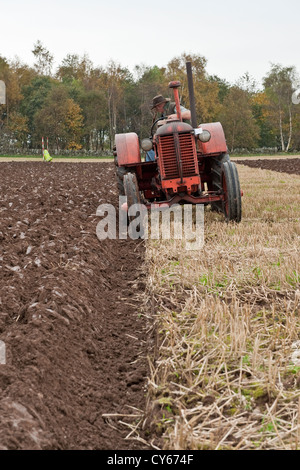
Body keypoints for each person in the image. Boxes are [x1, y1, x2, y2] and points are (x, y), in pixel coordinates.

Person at [145, 95, 191, 162]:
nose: (157, 110)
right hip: (170, 138)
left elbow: (189, 114)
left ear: (159, 106)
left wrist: (176, 115)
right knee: (151, 147)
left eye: (156, 108)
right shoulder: (163, 114)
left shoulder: (173, 106)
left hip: (182, 136)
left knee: (151, 152)